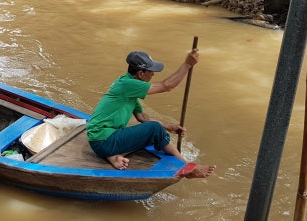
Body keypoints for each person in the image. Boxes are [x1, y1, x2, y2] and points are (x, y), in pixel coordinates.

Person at [86, 50, 216, 179]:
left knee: (152, 131)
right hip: (103, 140)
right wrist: (187, 64)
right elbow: (166, 86)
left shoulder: (127, 84)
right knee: (154, 128)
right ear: (141, 73)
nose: (153, 74)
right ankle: (187, 168)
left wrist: (169, 126)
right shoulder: (128, 85)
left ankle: (113, 156)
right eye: (150, 71)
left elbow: (142, 117)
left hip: (101, 139)